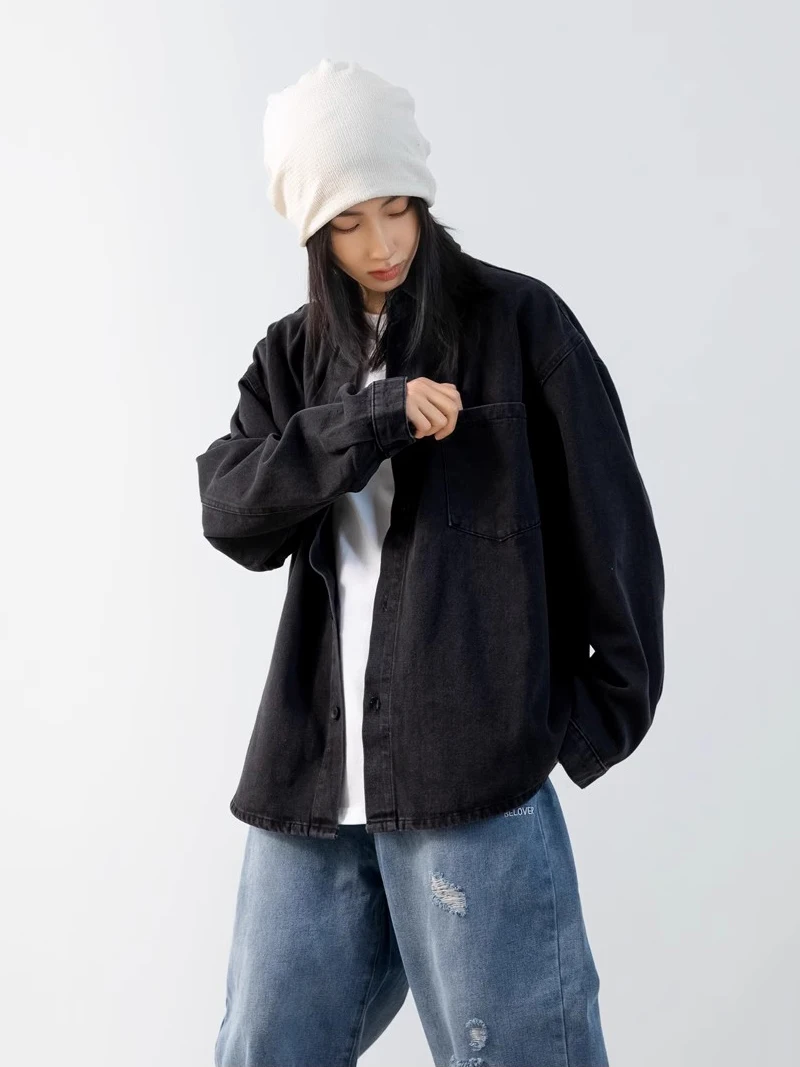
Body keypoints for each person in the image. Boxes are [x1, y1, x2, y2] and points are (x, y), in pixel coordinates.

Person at [196, 57, 665, 1067]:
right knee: (260, 1046)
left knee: (523, 1053)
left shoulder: (520, 322)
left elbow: (614, 531)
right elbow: (231, 510)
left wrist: (570, 726)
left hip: (474, 781)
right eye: (349, 222)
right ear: (313, 233)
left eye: (398, 207)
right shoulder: (290, 359)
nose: (382, 244)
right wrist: (371, 418)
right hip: (310, 790)